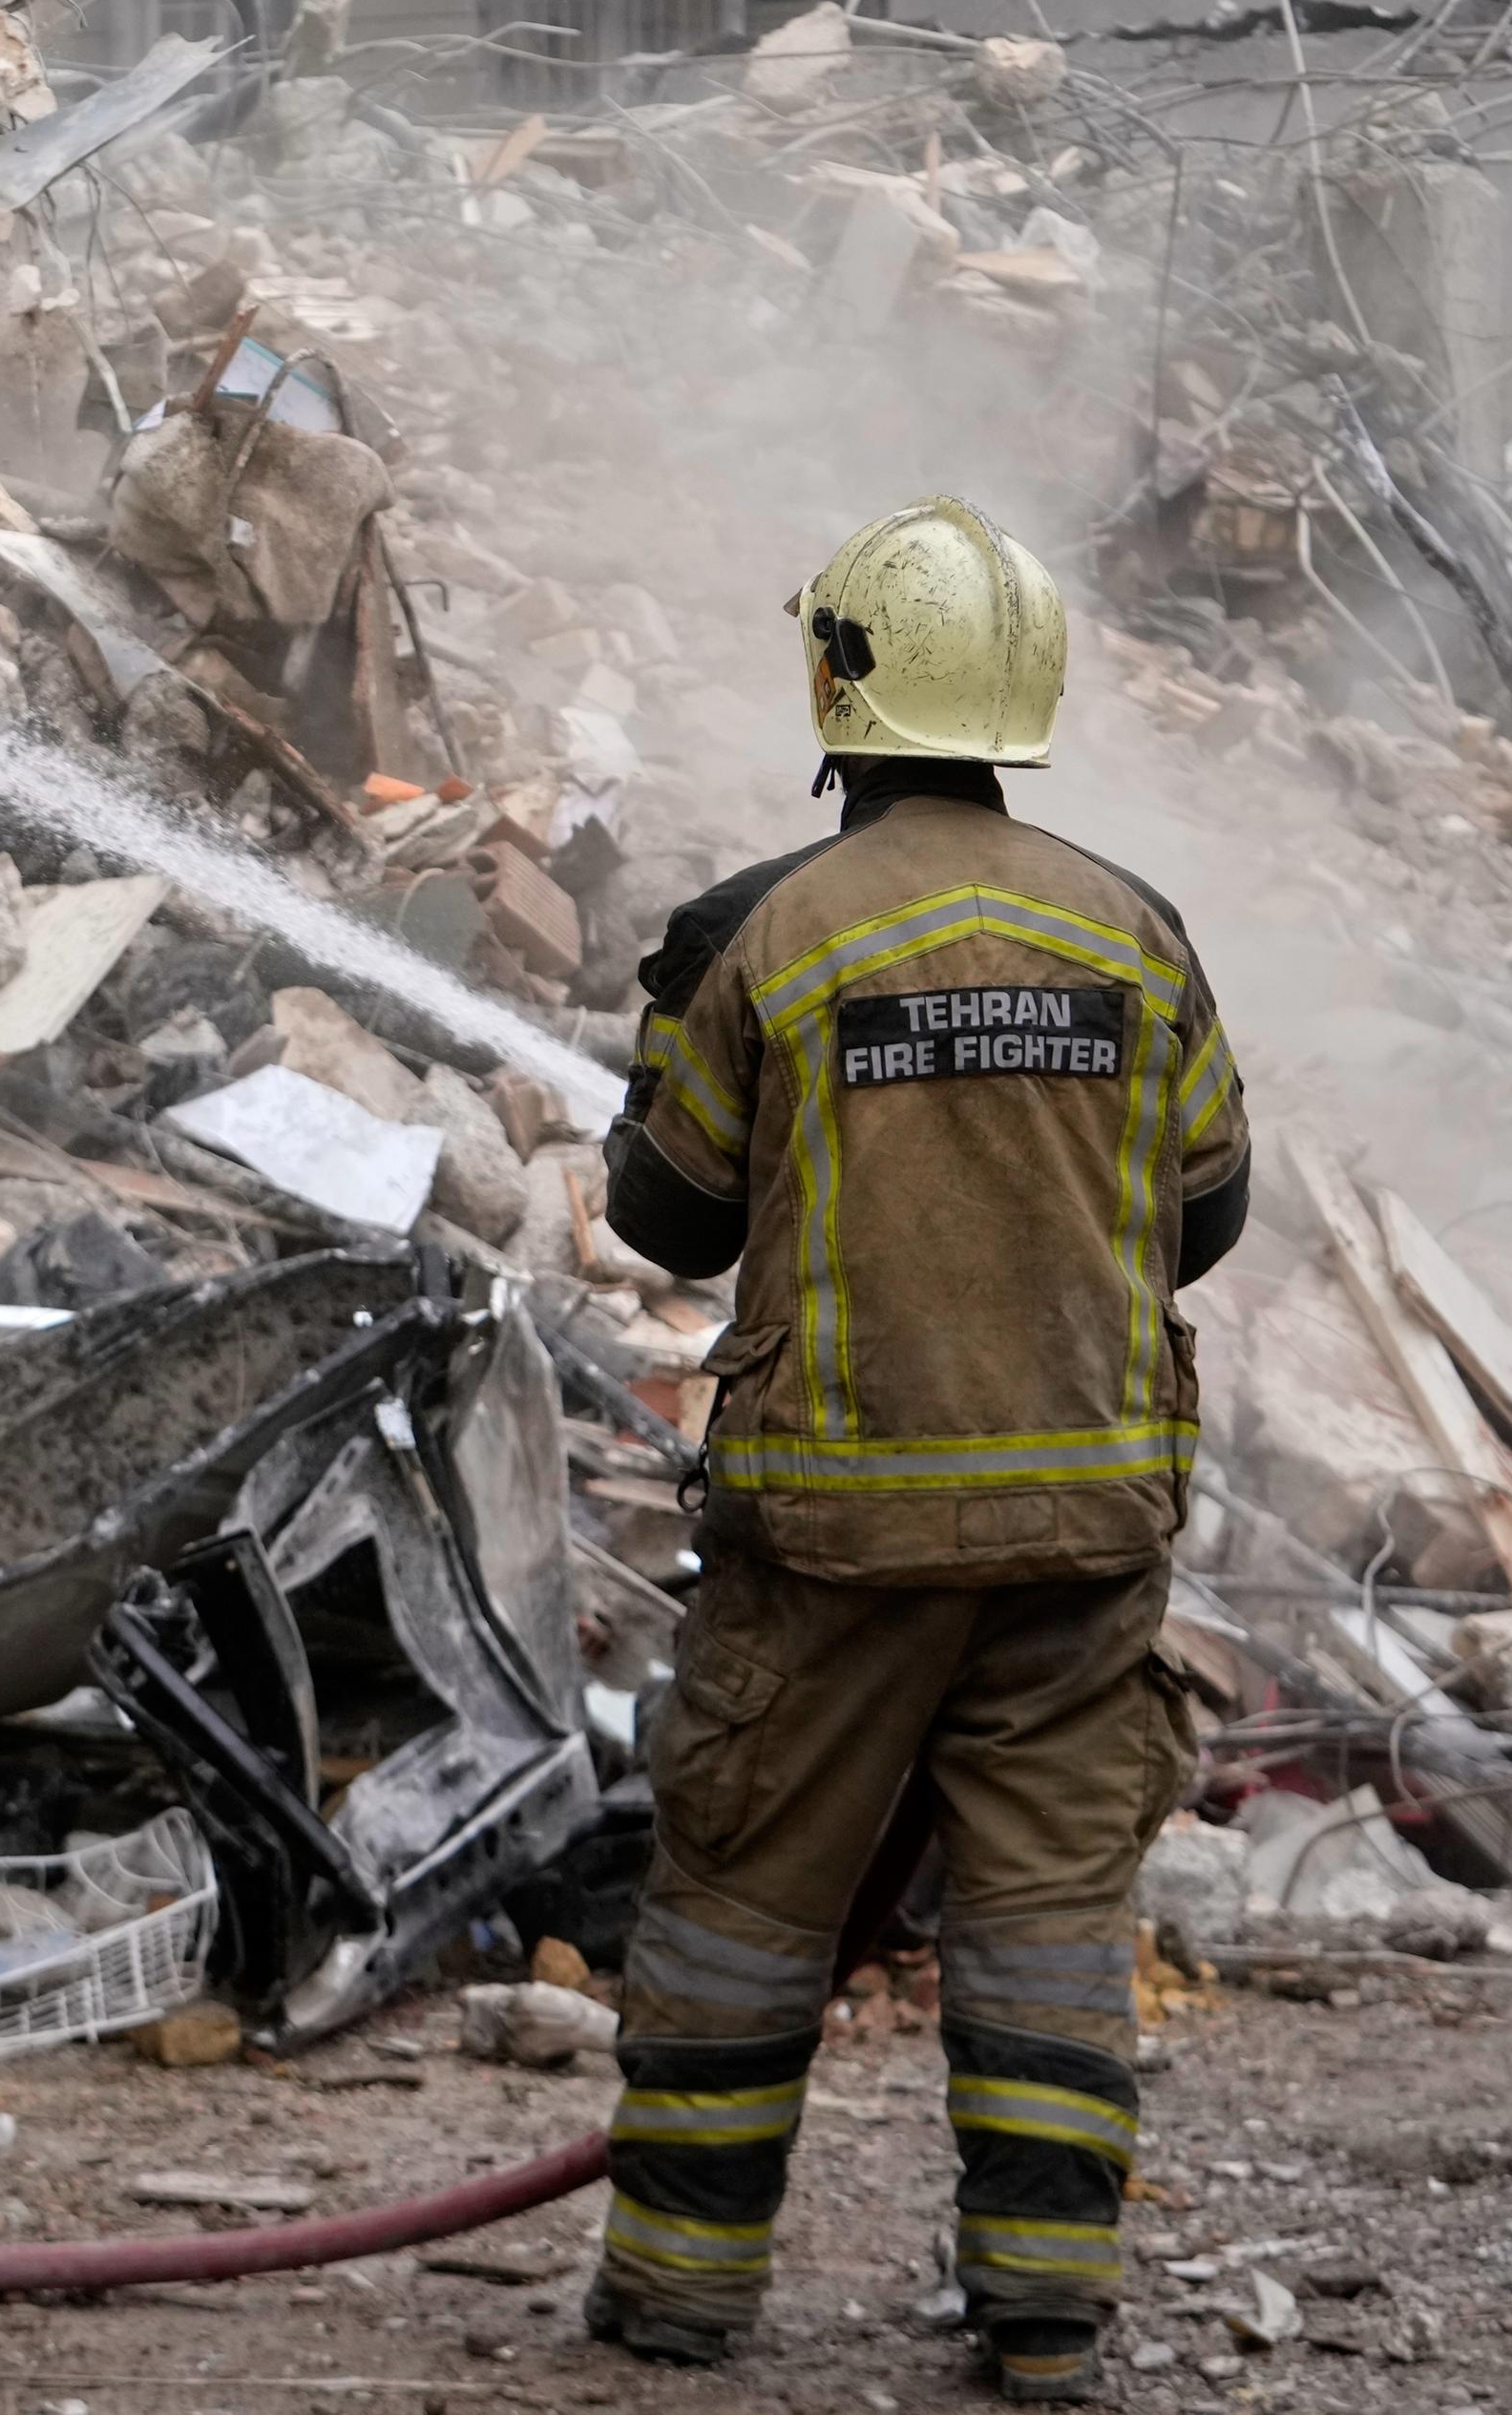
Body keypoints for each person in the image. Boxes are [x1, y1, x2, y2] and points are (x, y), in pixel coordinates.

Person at [583, 499, 1250, 2405]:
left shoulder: (771, 933)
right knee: (1044, 1929)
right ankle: (1043, 2313)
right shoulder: (1133, 927)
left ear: (838, 683)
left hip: (832, 1555)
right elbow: (1204, 1207)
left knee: (737, 1909)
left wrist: (665, 1023)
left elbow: (668, 1215)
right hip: (1079, 1539)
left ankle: (679, 2298)